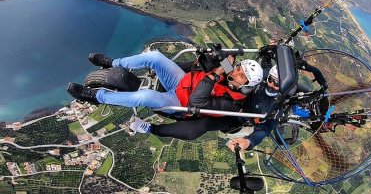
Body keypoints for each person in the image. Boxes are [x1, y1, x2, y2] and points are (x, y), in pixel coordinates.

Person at [67, 51, 264, 134]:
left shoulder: (232, 103)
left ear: (245, 85)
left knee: (145, 96)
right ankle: (112, 63)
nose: (236, 72)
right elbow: (207, 66)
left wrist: (217, 73)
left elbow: (197, 100)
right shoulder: (231, 75)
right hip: (182, 81)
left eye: (241, 75)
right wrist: (218, 58)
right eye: (239, 68)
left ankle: (95, 97)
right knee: (155, 57)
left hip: (178, 102)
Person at [227, 65, 280, 152]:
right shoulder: (261, 75)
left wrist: (248, 142)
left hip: (234, 118)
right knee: (233, 76)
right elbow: (235, 74)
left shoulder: (276, 108)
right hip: (232, 91)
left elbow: (263, 130)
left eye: (276, 83)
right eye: (270, 79)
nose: (271, 84)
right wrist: (223, 61)